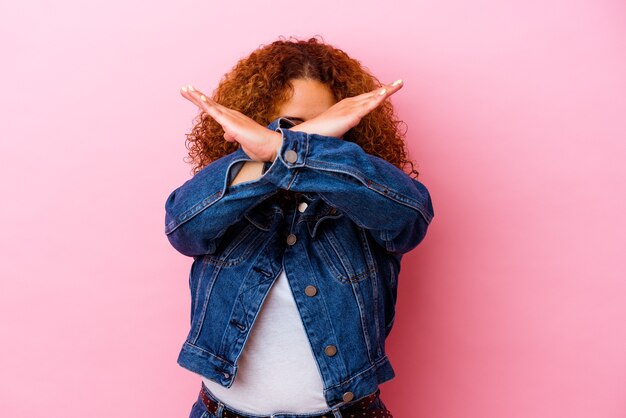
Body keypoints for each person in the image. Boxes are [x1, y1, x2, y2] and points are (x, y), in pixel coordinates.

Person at [164, 36, 435, 418]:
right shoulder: (229, 185)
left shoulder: (366, 192)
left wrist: (284, 149)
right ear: (254, 125)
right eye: (283, 128)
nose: (297, 139)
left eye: (321, 127)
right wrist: (273, 155)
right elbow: (183, 226)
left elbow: (410, 218)